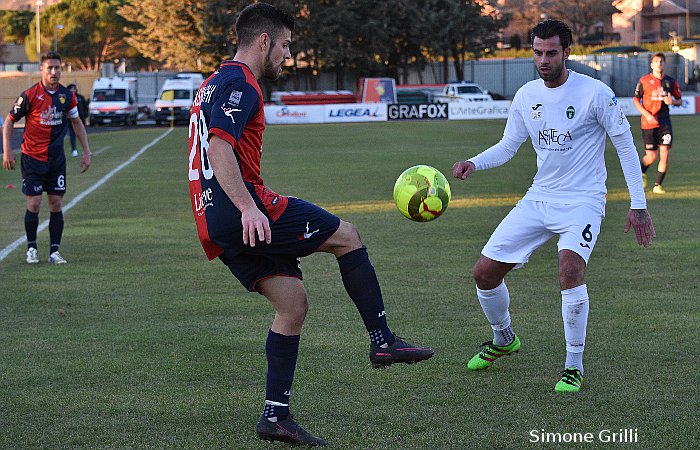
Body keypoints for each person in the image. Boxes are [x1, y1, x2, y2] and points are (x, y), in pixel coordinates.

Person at [186, 3, 433, 446]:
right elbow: (221, 149)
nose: (286, 55)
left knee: (293, 304)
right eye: (284, 45)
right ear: (263, 41)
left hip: (211, 218)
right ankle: (383, 340)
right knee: (348, 236)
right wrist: (247, 207)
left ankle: (275, 416)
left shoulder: (211, 83)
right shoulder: (242, 83)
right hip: (240, 209)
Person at [452, 20, 655, 393]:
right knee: (484, 272)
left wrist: (637, 204)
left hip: (583, 201)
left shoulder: (595, 93)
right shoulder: (527, 95)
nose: (543, 60)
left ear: (567, 53)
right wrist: (474, 162)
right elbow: (508, 145)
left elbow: (626, 146)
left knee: (569, 269)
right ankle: (503, 338)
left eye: (551, 53)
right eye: (537, 53)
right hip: (539, 198)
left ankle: (573, 365)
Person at [3, 51, 91, 265]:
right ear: (41, 70)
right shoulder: (29, 95)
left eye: (57, 68)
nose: (54, 72)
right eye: (49, 68)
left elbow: (77, 122)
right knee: (33, 204)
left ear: (62, 70)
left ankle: (54, 252)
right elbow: (8, 121)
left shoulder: (66, 96)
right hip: (32, 158)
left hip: (56, 160)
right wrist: (7, 150)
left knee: (56, 204)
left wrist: (86, 151)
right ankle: (31, 248)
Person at [633, 52, 682, 194]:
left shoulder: (670, 82)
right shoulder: (644, 81)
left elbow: (679, 100)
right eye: (656, 61)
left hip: (664, 123)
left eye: (661, 61)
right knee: (651, 157)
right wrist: (647, 115)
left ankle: (657, 185)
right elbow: (636, 100)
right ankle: (642, 172)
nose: (659, 64)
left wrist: (673, 102)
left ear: (665, 64)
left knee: (665, 153)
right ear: (652, 64)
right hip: (648, 124)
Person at [66, 83, 89, 157]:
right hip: (70, 122)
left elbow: (85, 107)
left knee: (82, 135)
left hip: (80, 120)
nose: (73, 90)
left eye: (74, 89)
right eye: (71, 89)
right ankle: (74, 150)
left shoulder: (80, 97)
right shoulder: (66, 98)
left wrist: (85, 115)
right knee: (72, 136)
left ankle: (85, 150)